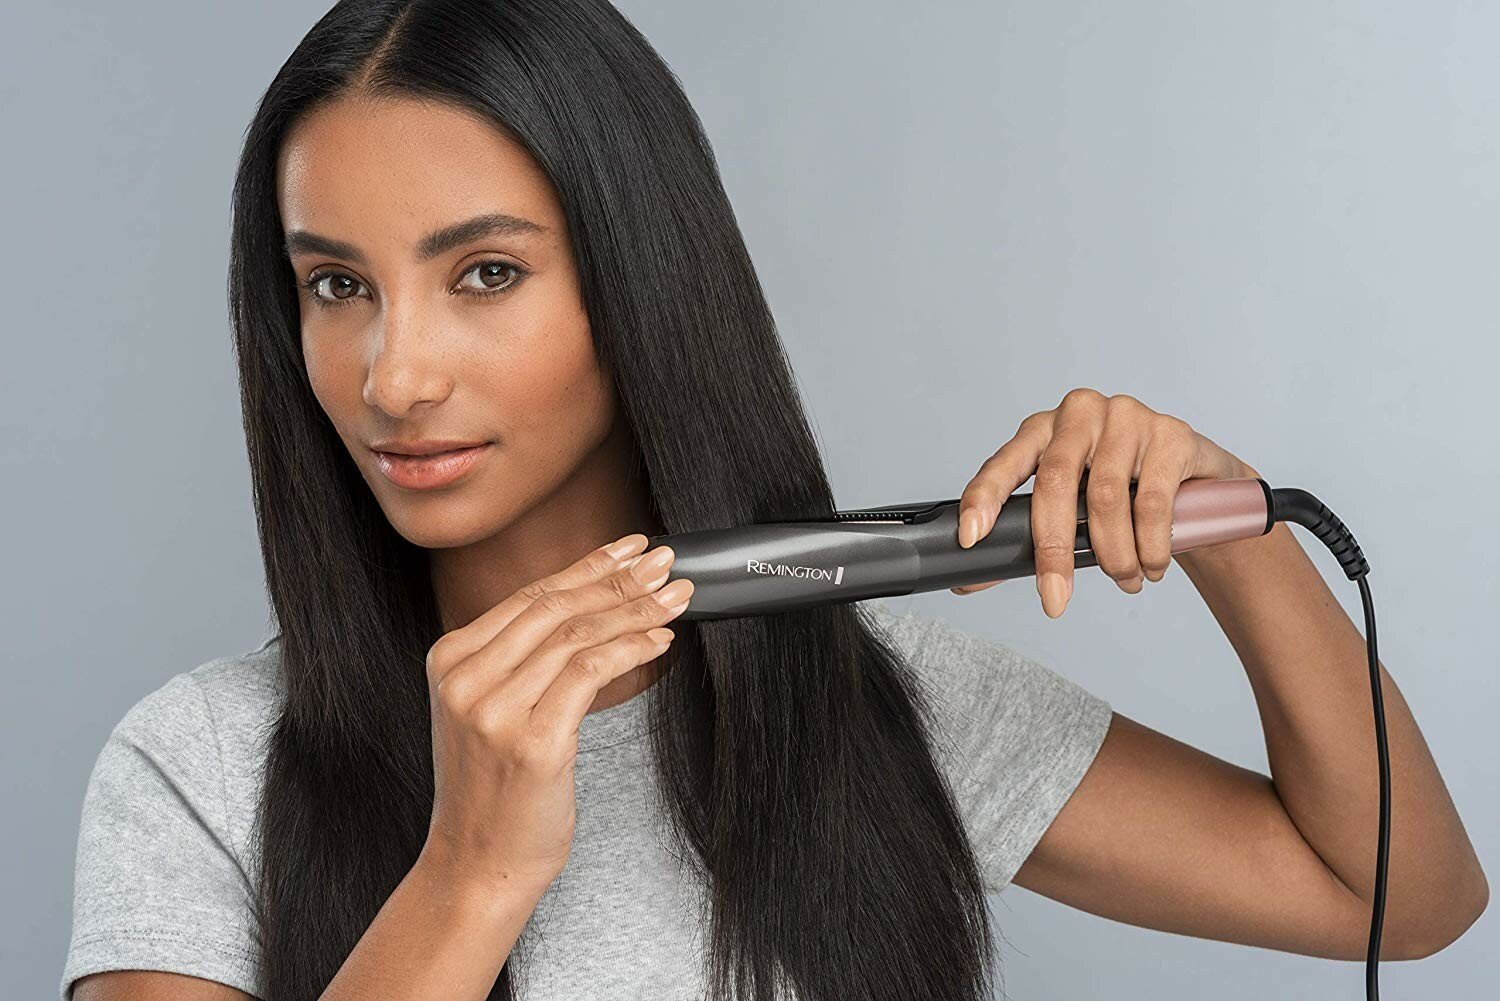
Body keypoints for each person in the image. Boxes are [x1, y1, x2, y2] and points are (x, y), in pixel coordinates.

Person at [61, 2, 1486, 1000]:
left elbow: (1400, 898)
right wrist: (470, 871)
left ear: (638, 281)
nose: (395, 374)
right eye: (335, 285)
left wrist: (1227, 524)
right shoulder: (199, 767)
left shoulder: (877, 706)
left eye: (485, 273)